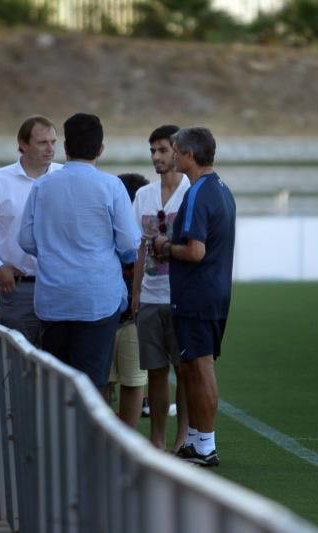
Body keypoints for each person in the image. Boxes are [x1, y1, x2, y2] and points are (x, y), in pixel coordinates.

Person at [18, 113, 141, 389]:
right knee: (92, 386)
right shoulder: (111, 186)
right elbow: (130, 245)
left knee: (56, 385)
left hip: (53, 299)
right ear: (100, 150)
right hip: (97, 299)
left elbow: (25, 239)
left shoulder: (42, 186)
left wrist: (52, 252)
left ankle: (59, 433)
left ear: (65, 148)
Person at [152, 127, 235, 467]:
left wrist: (164, 247)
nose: (170, 156)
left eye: (173, 150)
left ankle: (205, 446)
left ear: (187, 154)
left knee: (200, 368)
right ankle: (199, 442)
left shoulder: (199, 192)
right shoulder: (220, 188)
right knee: (194, 368)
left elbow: (196, 251)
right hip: (212, 292)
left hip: (197, 295)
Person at [0, 115, 62, 345]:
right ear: (23, 144)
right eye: (42, 142)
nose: (50, 149)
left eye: (54, 142)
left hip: (61, 287)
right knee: (17, 364)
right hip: (18, 289)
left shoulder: (64, 177)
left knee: (61, 367)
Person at [131, 124, 191, 453]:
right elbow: (139, 247)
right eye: (152, 150)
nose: (156, 157)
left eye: (163, 150)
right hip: (151, 295)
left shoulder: (190, 192)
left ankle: (183, 438)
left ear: (177, 152)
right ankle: (157, 439)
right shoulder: (143, 196)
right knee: (155, 371)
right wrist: (135, 292)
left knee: (184, 371)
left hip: (182, 295)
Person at [106, 172, 150, 428]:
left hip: (130, 315)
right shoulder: (107, 229)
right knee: (105, 379)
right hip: (108, 313)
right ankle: (113, 434)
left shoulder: (144, 235)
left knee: (133, 379)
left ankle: (125, 437)